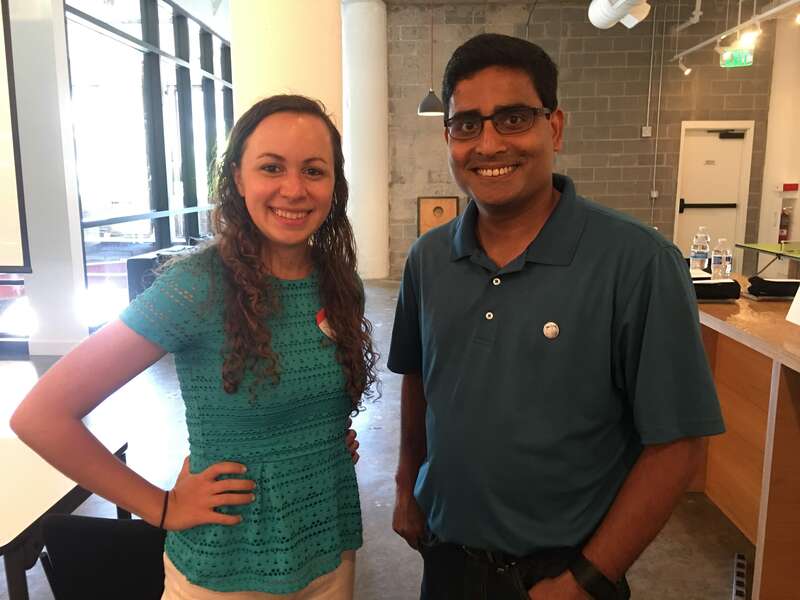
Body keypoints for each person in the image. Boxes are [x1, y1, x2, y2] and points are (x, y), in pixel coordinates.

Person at [389, 33, 724, 600]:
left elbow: (679, 443)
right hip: (446, 565)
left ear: (556, 127)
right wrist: (406, 484)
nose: (488, 144)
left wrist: (586, 580)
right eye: (466, 124)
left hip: (564, 575)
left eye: (513, 118)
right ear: (448, 137)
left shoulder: (638, 263)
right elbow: (419, 378)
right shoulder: (428, 259)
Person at [12, 94, 378, 599]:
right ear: (238, 178)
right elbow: (40, 416)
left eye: (313, 171)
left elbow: (315, 402)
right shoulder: (198, 286)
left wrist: (320, 439)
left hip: (328, 550)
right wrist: (161, 507)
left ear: (334, 184)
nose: (294, 189)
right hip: (227, 570)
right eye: (272, 167)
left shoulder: (339, 282)